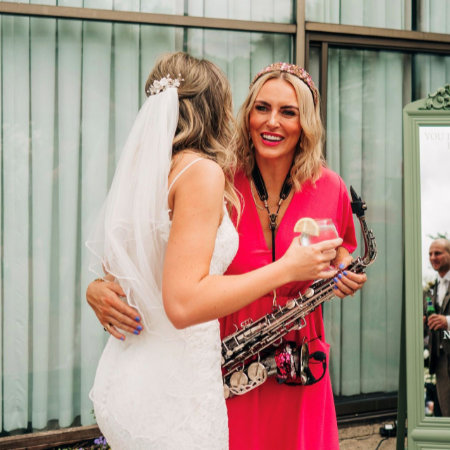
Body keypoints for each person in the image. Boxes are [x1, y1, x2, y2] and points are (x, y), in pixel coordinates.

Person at [86, 53, 344, 450]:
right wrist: (97, 289)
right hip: (222, 370)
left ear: (306, 123)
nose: (272, 121)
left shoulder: (331, 187)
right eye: (260, 107)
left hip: (297, 366)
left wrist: (343, 267)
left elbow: (138, 247)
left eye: (288, 111)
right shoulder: (211, 176)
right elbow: (172, 286)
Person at [424, 238, 450, 416]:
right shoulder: (431, 289)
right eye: (430, 254)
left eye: (438, 253)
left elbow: (443, 320)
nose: (433, 257)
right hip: (440, 360)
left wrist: (447, 322)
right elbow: (428, 314)